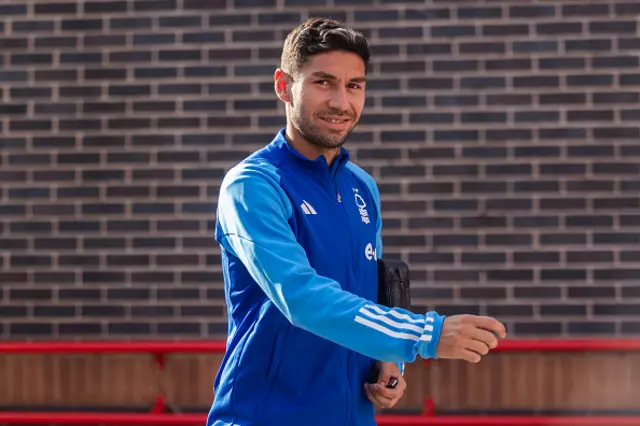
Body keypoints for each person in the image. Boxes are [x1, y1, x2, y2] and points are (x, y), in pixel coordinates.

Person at [207, 17, 507, 426]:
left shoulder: (362, 186)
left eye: (354, 86)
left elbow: (370, 285)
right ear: (283, 86)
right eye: (323, 82)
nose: (340, 102)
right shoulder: (252, 186)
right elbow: (301, 296)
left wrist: (386, 359)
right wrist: (425, 334)